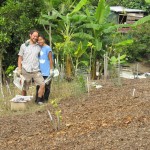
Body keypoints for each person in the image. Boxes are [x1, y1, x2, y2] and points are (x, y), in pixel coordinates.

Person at [17, 30, 45, 104]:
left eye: (36, 36)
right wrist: (19, 69)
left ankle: (38, 100)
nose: (35, 38)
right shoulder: (24, 46)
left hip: (36, 70)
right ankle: (24, 101)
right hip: (25, 69)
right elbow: (20, 58)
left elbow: (44, 46)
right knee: (24, 88)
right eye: (34, 36)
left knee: (42, 84)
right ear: (30, 35)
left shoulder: (38, 46)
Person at [35, 34, 54, 103]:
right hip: (40, 71)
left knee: (47, 86)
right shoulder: (38, 48)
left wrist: (51, 70)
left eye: (41, 40)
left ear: (44, 40)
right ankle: (38, 99)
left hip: (47, 70)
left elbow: (50, 59)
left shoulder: (48, 48)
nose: (39, 41)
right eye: (38, 40)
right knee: (39, 86)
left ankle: (45, 100)